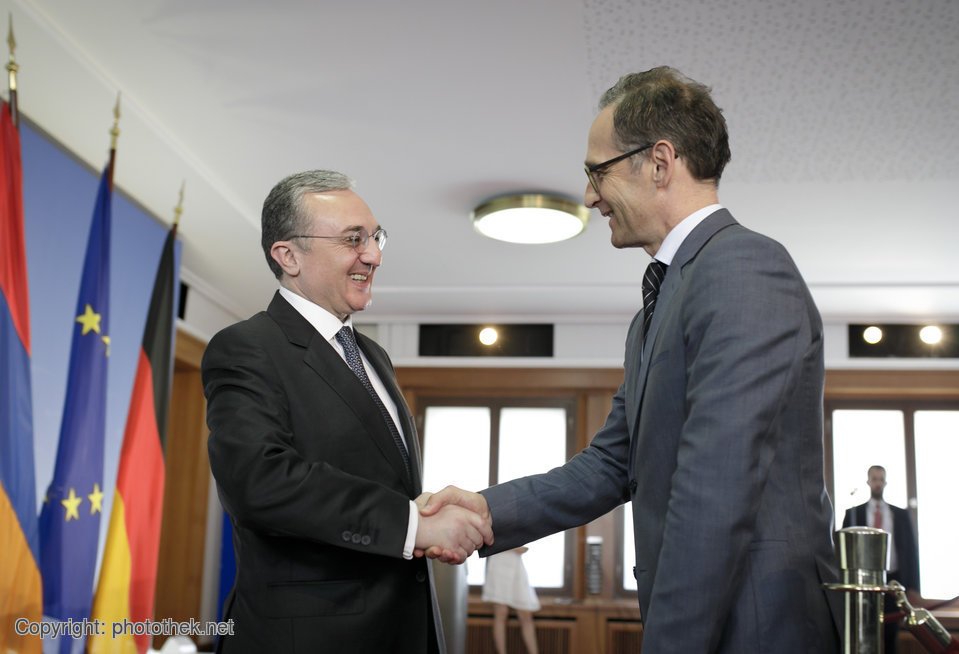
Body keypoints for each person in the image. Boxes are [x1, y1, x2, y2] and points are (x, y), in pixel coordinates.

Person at [420, 66, 842, 653]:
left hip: (755, 625)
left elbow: (716, 485)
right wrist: (488, 509)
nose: (590, 196)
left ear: (660, 163)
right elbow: (612, 463)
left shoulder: (744, 267)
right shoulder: (655, 310)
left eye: (598, 172)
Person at [203, 170, 492, 654]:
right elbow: (259, 480)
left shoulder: (374, 356)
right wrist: (412, 524)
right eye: (353, 239)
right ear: (288, 256)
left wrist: (423, 511)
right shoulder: (247, 347)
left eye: (376, 237)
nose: (374, 255)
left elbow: (380, 478)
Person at [842, 465, 920, 653]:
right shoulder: (854, 514)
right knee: (864, 631)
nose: (878, 483)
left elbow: (910, 552)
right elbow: (845, 548)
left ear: (885, 482)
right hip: (864, 583)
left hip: (893, 581)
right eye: (874, 479)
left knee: (890, 634)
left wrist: (913, 586)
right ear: (868, 482)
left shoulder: (900, 515)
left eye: (881, 479)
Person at [482, 547, 540, 654]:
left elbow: (524, 547)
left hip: (516, 564)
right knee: (501, 613)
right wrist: (512, 545)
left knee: (525, 614)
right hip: (498, 562)